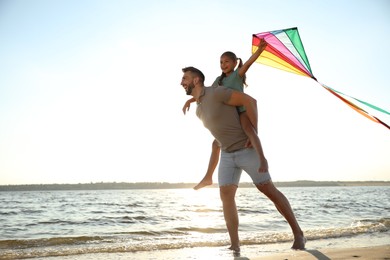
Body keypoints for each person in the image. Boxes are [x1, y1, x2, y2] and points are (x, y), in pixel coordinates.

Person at [180, 66, 306, 253]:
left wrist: (253, 132)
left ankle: (298, 233)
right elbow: (218, 135)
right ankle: (235, 244)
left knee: (268, 190)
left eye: (185, 78)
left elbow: (250, 101)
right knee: (226, 196)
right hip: (227, 156)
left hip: (247, 151)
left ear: (196, 80)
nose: (182, 82)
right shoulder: (199, 110)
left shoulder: (218, 93)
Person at [183, 38, 268, 190]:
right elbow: (205, 93)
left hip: (241, 111)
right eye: (221, 62)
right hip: (229, 114)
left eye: (227, 62)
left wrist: (260, 51)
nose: (223, 65)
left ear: (235, 63)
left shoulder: (237, 75)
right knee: (215, 144)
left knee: (250, 132)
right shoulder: (218, 80)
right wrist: (190, 101)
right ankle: (208, 177)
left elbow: (248, 63)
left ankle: (262, 159)